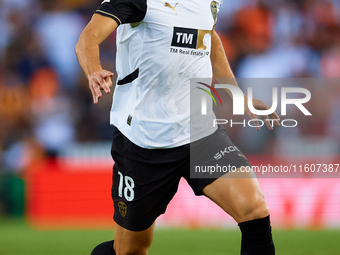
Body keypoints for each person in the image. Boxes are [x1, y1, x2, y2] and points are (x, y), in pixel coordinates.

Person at [75, 0, 279, 254]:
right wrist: (94, 70)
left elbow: (209, 38)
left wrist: (236, 94)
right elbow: (88, 36)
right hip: (143, 141)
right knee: (130, 250)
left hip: (200, 133)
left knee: (254, 209)